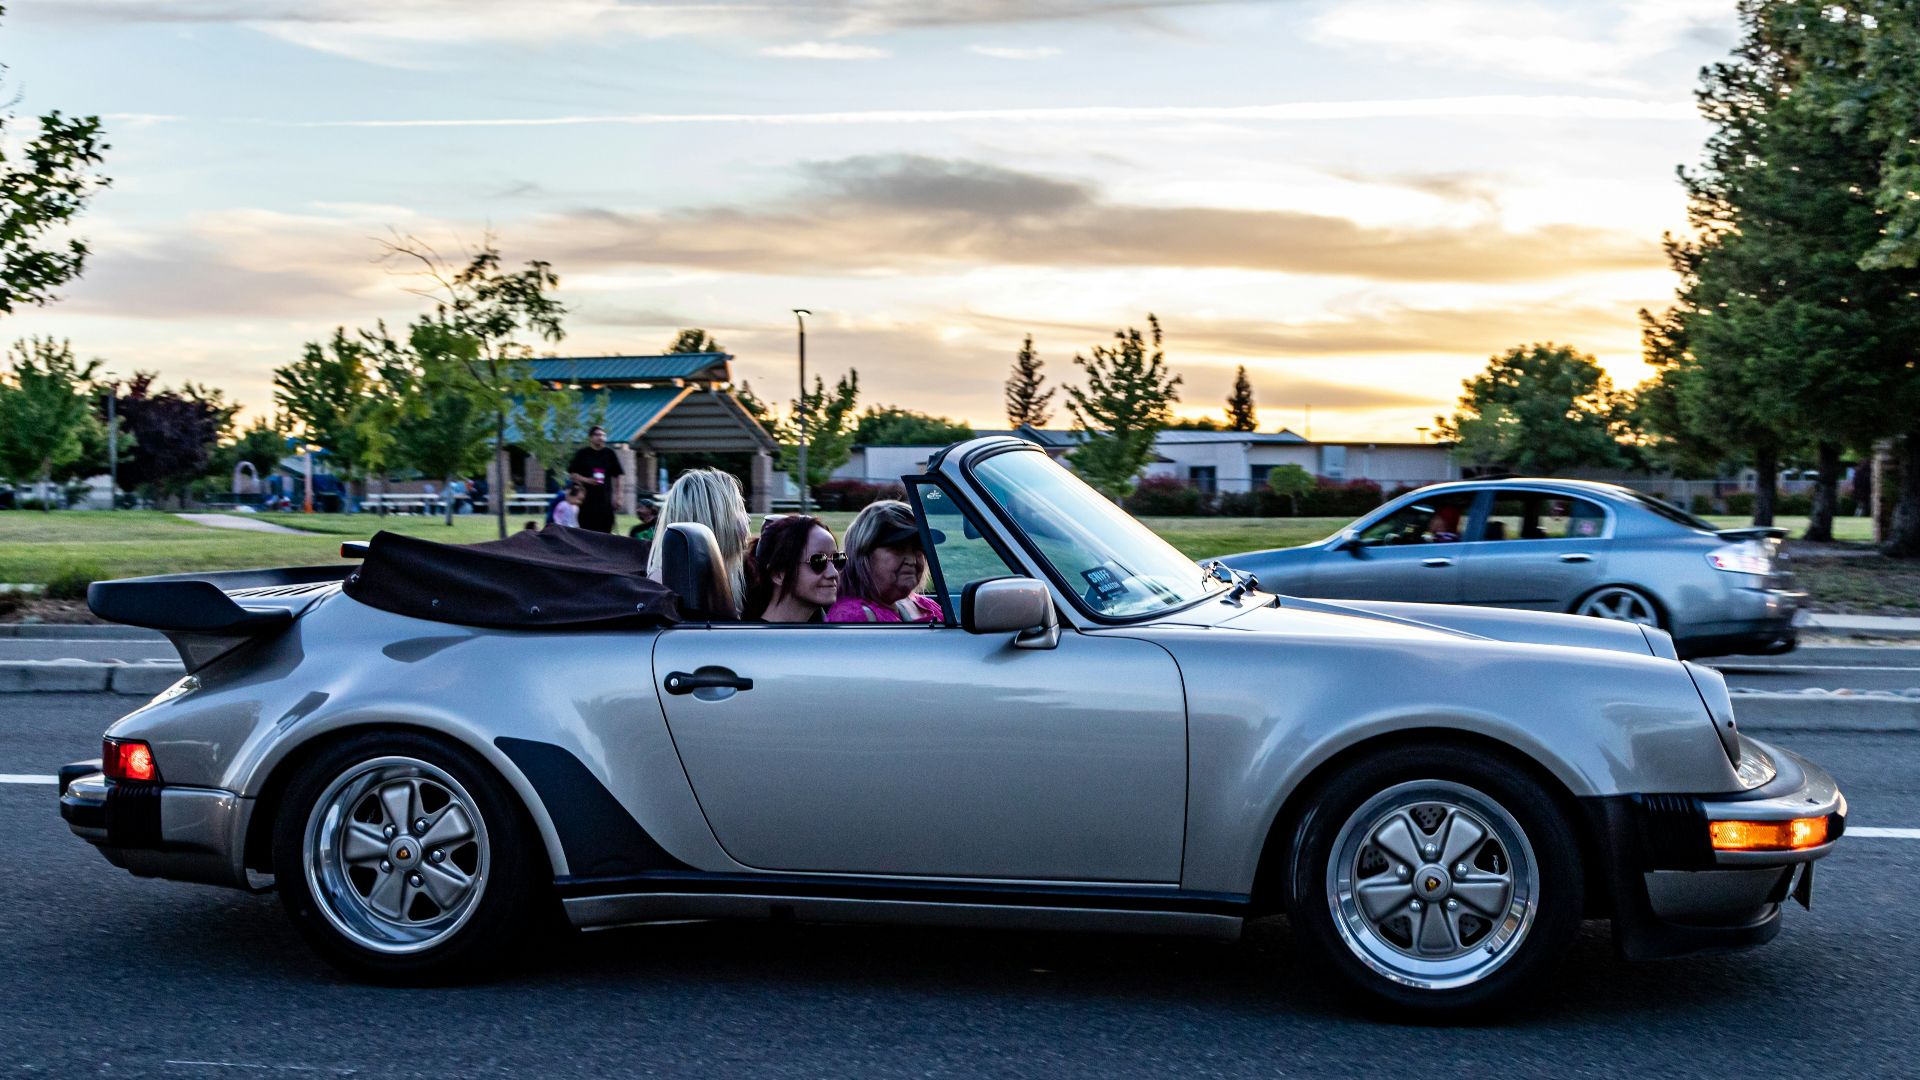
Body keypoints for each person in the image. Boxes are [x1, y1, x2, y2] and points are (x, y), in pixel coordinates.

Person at [645, 468, 750, 618]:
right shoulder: (666, 587)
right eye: (738, 509)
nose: (748, 520)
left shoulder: (733, 575)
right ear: (715, 519)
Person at [827, 500, 942, 623]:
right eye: (898, 548)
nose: (912, 560)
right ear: (863, 555)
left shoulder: (924, 605)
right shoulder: (853, 617)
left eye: (918, 549)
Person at [742, 515, 842, 622]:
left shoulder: (826, 633)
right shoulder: (752, 637)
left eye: (837, 559)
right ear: (779, 574)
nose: (834, 573)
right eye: (818, 561)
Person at [566, 425, 624, 533]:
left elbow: (618, 475)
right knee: (587, 532)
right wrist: (587, 480)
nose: (601, 437)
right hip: (586, 502)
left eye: (603, 435)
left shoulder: (609, 454)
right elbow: (572, 474)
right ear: (590, 438)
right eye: (597, 435)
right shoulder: (582, 454)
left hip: (605, 502)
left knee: (606, 532)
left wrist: (618, 496)